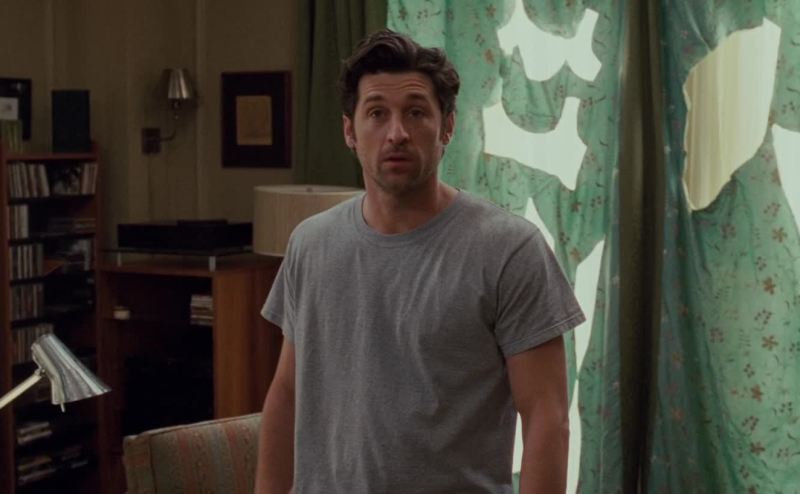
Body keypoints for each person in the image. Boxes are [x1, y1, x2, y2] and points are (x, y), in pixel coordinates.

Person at [255, 29, 585, 494]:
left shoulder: (510, 250)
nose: (397, 133)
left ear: (447, 127)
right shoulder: (310, 244)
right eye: (376, 114)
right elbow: (288, 394)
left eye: (416, 113)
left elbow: (547, 416)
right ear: (349, 131)